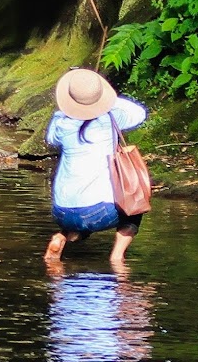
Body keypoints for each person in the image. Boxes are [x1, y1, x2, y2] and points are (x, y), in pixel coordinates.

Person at [44, 68, 147, 272]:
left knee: (79, 220)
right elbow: (140, 114)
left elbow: (50, 139)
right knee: (136, 208)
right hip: (99, 212)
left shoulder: (61, 122)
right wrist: (108, 99)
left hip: (62, 211)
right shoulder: (111, 117)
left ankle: (62, 236)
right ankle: (117, 258)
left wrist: (67, 110)